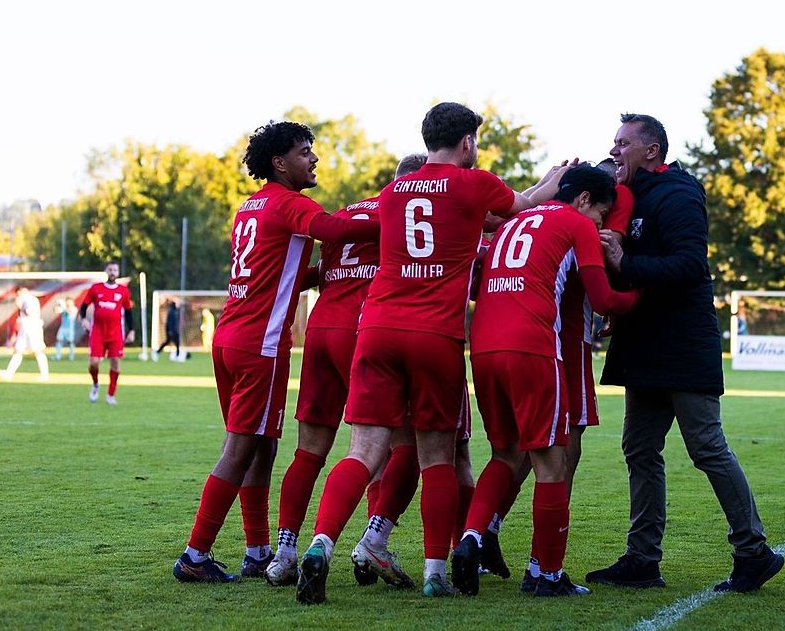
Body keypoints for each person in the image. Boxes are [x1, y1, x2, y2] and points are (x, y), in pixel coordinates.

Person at [295, 102, 552, 604]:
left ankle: (321, 544)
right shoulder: (475, 183)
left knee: (363, 452)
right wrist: (551, 179)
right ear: (467, 143)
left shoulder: (392, 193)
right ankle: (436, 572)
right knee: (437, 456)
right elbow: (521, 206)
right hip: (435, 336)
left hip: (378, 328)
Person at [171, 120, 378, 584]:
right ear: (280, 163)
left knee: (261, 447)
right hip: (259, 344)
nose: (314, 158)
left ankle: (258, 549)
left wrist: (327, 275)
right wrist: (401, 212)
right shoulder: (290, 203)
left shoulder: (252, 205)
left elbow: (278, 275)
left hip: (231, 336)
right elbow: (333, 229)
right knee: (240, 449)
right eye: (306, 151)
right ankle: (194, 554)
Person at [593, 113, 784, 593]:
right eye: (613, 143)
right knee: (639, 449)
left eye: (623, 143)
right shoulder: (627, 196)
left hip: (681, 343)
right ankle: (642, 559)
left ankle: (753, 551)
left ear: (652, 150)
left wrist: (624, 261)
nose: (614, 151)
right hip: (644, 344)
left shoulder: (678, 191)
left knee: (707, 448)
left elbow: (688, 264)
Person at [454, 165, 641, 598]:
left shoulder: (512, 222)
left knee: (505, 454)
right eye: (600, 213)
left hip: (481, 347)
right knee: (553, 461)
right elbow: (603, 299)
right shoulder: (576, 223)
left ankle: (470, 538)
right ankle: (546, 573)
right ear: (583, 201)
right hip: (533, 348)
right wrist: (641, 294)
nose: (599, 223)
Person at [264, 153, 427, 587]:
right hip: (364, 329)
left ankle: (284, 554)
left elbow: (327, 265)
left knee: (308, 453)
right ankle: (373, 541)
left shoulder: (346, 212)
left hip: (320, 329)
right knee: (404, 448)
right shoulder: (410, 210)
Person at [81, 265, 135, 404]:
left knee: (115, 362)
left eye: (115, 270)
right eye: (110, 270)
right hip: (98, 331)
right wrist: (83, 319)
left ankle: (111, 394)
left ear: (118, 272)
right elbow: (84, 305)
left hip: (115, 332)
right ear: (106, 272)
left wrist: (132, 330)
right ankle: (95, 384)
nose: (112, 272)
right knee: (93, 362)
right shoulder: (96, 288)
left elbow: (128, 312)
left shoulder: (123, 291)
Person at [0, 286, 50, 381]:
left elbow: (29, 312)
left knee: (38, 351)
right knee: (18, 350)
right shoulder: (26, 300)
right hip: (25, 329)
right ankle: (9, 373)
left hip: (33, 329)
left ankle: (45, 375)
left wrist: (20, 306)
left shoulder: (30, 300)